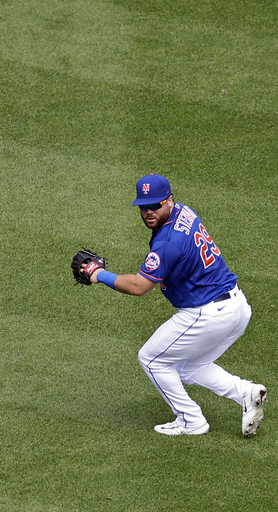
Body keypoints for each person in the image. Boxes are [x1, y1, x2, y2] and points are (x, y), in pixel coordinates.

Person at [82, 174, 267, 437]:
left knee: (152, 359)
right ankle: (246, 393)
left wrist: (97, 273)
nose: (148, 212)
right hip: (237, 306)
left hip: (207, 314)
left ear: (169, 200)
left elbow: (139, 286)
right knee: (190, 367)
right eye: (143, 207)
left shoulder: (168, 242)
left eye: (155, 206)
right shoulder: (184, 212)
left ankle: (190, 420)